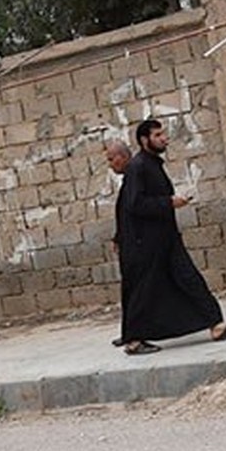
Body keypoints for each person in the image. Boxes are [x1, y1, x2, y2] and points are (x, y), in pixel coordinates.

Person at [118, 118, 226, 355]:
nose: (164, 138)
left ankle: (216, 325)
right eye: (158, 135)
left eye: (163, 134)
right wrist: (169, 202)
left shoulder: (152, 164)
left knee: (189, 279)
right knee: (144, 290)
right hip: (148, 243)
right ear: (145, 140)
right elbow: (135, 204)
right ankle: (134, 341)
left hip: (166, 239)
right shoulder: (138, 167)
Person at [104, 140, 133, 348]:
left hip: (138, 246)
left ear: (122, 157)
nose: (110, 164)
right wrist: (118, 237)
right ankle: (131, 333)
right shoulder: (129, 179)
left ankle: (133, 336)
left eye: (111, 159)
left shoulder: (135, 177)